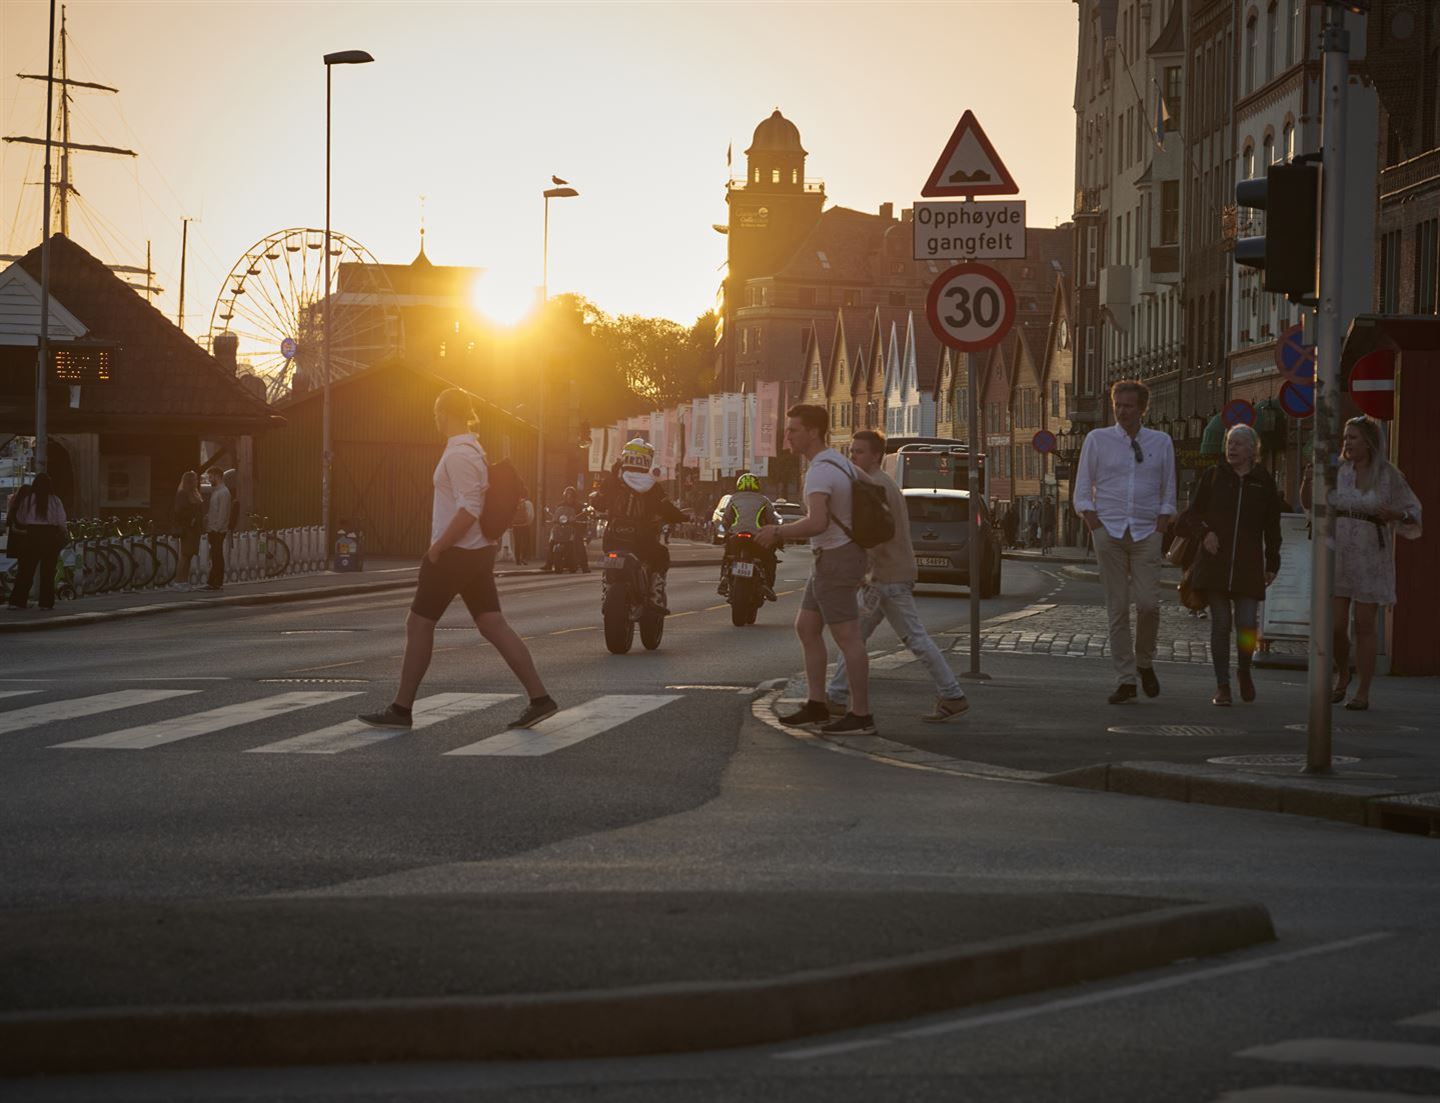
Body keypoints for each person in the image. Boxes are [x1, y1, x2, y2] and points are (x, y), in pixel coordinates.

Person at [360, 387, 557, 731]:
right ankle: (540, 699)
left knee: (418, 625)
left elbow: (469, 508)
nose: (434, 418)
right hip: (477, 552)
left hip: (456, 554)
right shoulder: (472, 450)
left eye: (437, 413)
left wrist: (438, 547)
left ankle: (401, 709)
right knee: (492, 624)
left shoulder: (459, 455)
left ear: (447, 413)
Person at [825, 430, 969, 722]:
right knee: (857, 637)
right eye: (852, 451)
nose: (854, 456)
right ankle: (836, 695)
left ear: (877, 455)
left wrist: (858, 568)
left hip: (883, 577)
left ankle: (952, 694)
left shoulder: (875, 486)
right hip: (887, 575)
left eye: (860, 452)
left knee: (908, 638)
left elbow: (874, 535)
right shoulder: (882, 483)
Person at [756, 403, 876, 737]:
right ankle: (817, 704)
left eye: (793, 429)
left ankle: (861, 715)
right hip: (836, 555)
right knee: (807, 627)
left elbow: (818, 522)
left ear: (811, 432)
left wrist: (777, 531)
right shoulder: (840, 462)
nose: (787, 436)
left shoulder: (820, 472)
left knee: (848, 638)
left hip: (836, 557)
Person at [1301, 416, 1422, 711]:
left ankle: (1363, 691)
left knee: (1365, 624)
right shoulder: (1338, 472)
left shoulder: (1388, 475)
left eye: (1353, 437)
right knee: (1336, 625)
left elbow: (1413, 513)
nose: (1347, 443)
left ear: (1368, 441)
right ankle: (1344, 671)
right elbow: (1312, 505)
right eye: (1345, 437)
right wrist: (1307, 480)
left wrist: (1394, 514)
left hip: (1370, 555)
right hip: (1339, 551)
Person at [1074, 379, 1176, 704]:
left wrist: (1161, 528)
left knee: (1148, 605)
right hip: (1109, 532)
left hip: (1147, 533)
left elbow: (1168, 491)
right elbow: (1082, 490)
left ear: (1142, 408)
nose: (1121, 411)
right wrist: (1096, 527)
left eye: (1128, 405)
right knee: (1117, 609)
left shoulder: (1161, 442)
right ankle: (1126, 678)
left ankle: (1144, 661)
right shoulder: (1097, 440)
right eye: (1117, 405)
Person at [1177, 425, 1282, 706]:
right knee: (1221, 624)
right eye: (1229, 443)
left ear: (1252, 450)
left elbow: (1272, 526)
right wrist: (1206, 533)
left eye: (1238, 444)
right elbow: (1192, 514)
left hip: (1248, 566)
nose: (1231, 448)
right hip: (1216, 564)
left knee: (1247, 625)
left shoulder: (1263, 481)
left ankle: (1244, 670)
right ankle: (1222, 685)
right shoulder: (1214, 476)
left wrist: (1273, 561)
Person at [592, 439, 688, 613]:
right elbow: (667, 509)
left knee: (609, 559)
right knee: (661, 556)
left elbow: (598, 502)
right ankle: (655, 594)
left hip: (613, 536)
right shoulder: (652, 487)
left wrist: (596, 498)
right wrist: (683, 517)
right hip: (642, 540)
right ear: (647, 460)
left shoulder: (612, 482)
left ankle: (607, 588)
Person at [5, 473, 67, 610]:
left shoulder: (28, 500)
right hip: (50, 536)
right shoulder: (56, 501)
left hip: (32, 535)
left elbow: (21, 518)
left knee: (26, 570)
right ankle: (46, 603)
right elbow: (62, 522)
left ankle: (17, 601)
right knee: (48, 572)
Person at [717, 471, 779, 600]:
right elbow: (772, 521)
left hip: (736, 535)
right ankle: (768, 585)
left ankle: (724, 578)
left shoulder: (733, 498)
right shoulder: (763, 500)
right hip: (757, 537)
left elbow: (726, 520)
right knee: (769, 559)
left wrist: (724, 533)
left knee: (728, 556)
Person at [544, 486, 589, 573]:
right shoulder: (560, 505)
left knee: (579, 543)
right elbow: (557, 514)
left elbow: (583, 516)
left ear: (574, 497)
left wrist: (578, 520)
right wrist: (554, 518)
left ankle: (585, 566)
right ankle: (548, 564)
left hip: (574, 528)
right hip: (561, 528)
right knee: (552, 541)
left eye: (571, 496)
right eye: (567, 495)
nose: (569, 498)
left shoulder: (579, 506)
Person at [172, 470, 204, 591]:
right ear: (190, 481)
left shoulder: (194, 493)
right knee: (185, 555)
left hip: (195, 529)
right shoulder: (183, 493)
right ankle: (179, 581)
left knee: (189, 555)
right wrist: (191, 519)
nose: (197, 481)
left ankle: (184, 581)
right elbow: (179, 511)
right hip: (188, 529)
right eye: (195, 479)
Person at [203, 465, 232, 592]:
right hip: (213, 529)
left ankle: (216, 583)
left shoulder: (224, 492)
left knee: (217, 556)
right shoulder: (217, 491)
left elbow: (223, 513)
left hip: (217, 530)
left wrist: (217, 529)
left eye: (210, 477)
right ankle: (212, 582)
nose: (209, 479)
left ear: (217, 476)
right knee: (215, 556)